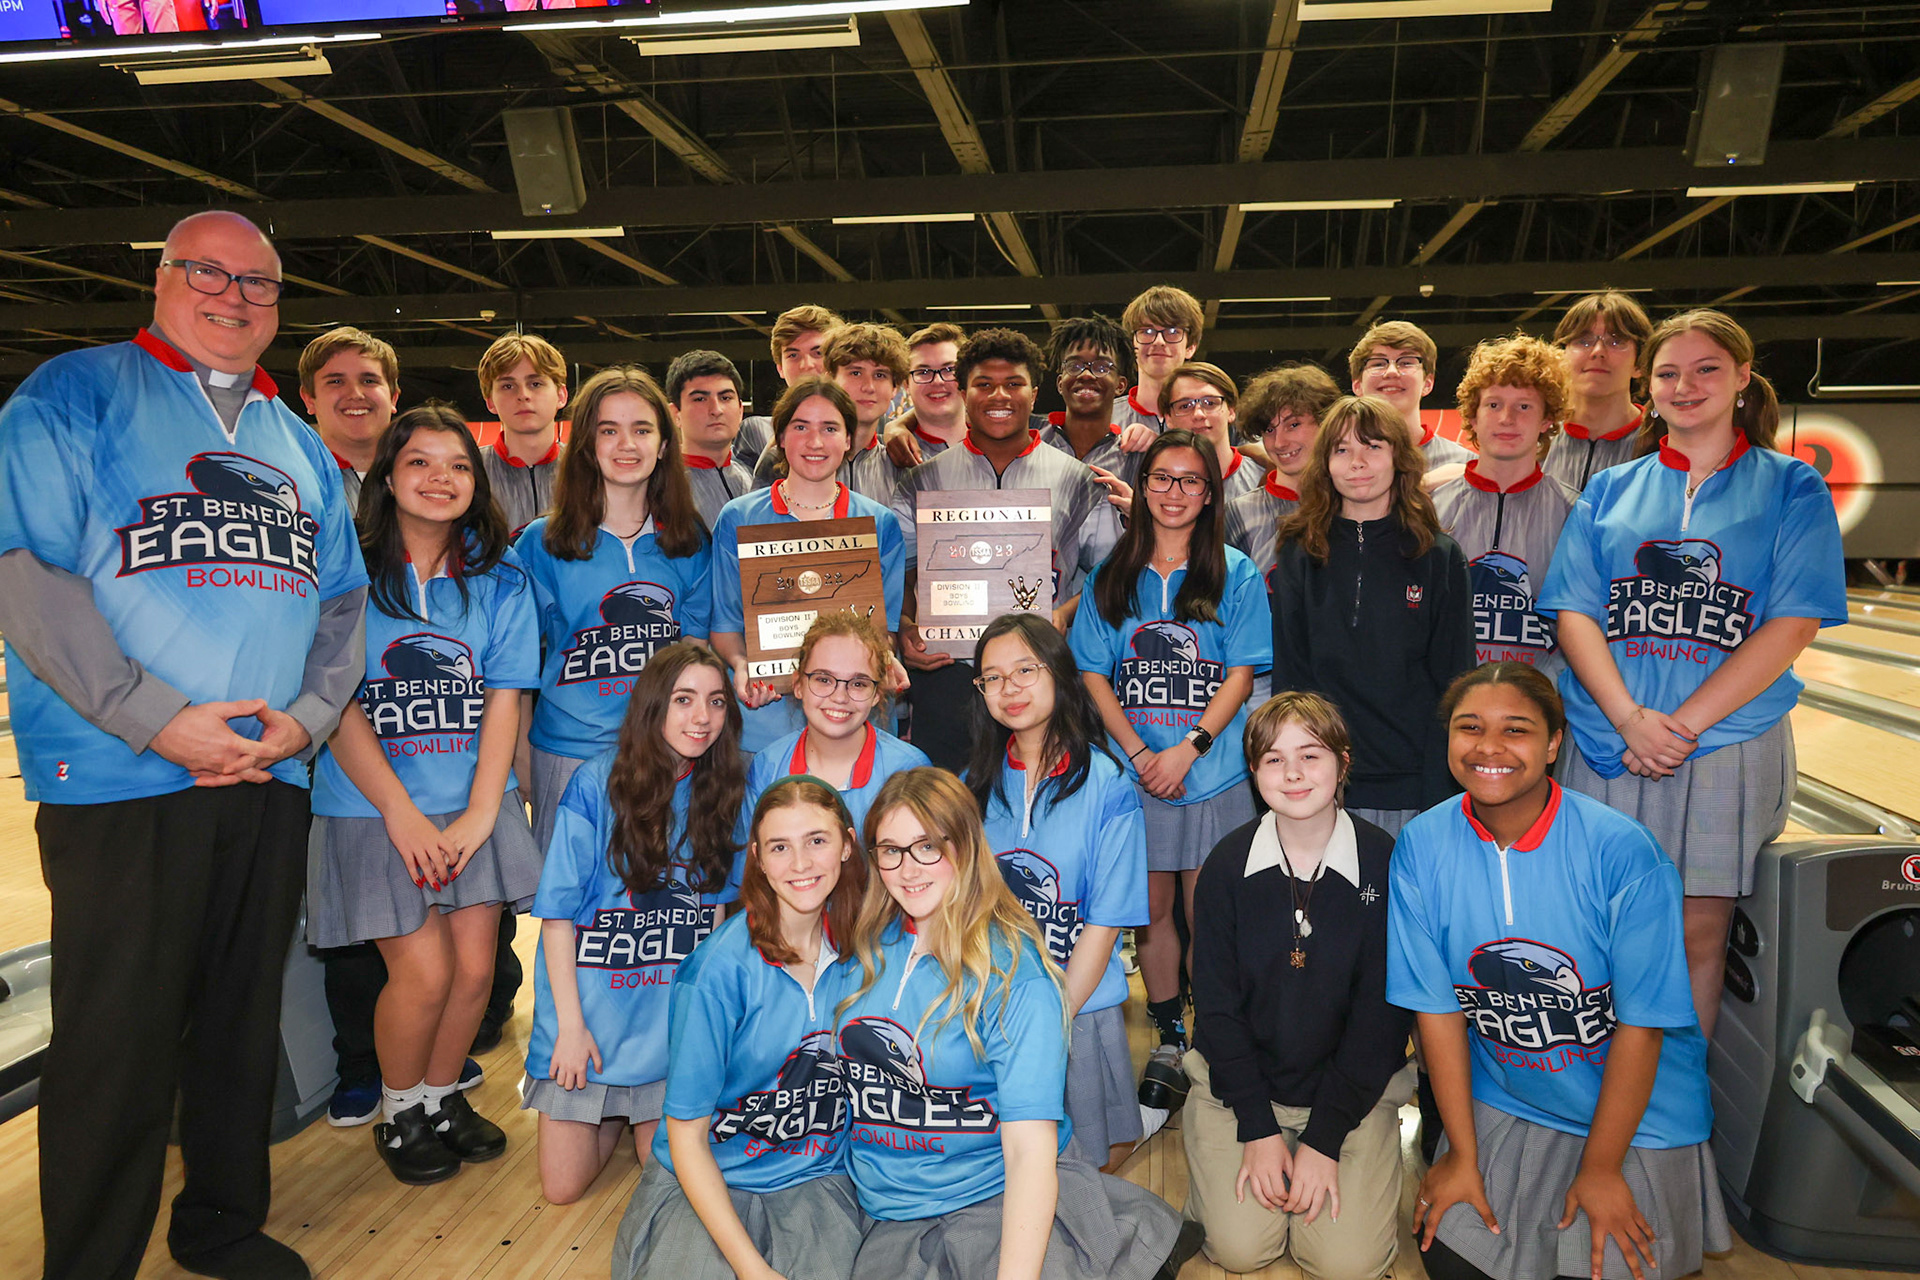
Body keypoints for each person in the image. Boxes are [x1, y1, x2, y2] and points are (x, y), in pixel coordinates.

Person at [0, 210, 364, 1280]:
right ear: (161, 278)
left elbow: (341, 607)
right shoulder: (73, 393)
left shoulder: (297, 442)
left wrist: (304, 717)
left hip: (268, 770)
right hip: (122, 775)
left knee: (241, 1021)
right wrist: (156, 715)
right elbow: (27, 572)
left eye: (259, 284)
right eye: (209, 272)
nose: (235, 297)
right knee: (117, 1036)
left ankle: (221, 1220)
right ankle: (91, 1259)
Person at [1539, 308, 1845, 1036]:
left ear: (1742, 377)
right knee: (1596, 935)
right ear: (1650, 385)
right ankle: (1595, 1100)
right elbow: (1574, 611)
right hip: (1609, 740)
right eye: (1670, 373)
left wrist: (1679, 727)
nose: (1686, 386)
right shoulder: (1613, 490)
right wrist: (1628, 720)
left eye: (1707, 369)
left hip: (1725, 744)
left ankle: (1670, 1115)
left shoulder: (1790, 486)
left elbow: (1794, 621)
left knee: (1695, 936)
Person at [1389, 663, 1730, 1280]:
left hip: (1638, 1114)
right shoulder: (1421, 846)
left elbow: (1642, 1025)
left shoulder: (1623, 852)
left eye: (1515, 730)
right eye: (1470, 727)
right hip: (1510, 1097)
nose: (1488, 747)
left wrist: (1601, 1169)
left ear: (1552, 744)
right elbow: (1436, 1012)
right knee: (1455, 1264)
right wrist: (1462, 1153)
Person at [307, 402, 542, 1186]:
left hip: (473, 802)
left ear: (478, 483)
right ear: (387, 477)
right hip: (374, 809)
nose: (440, 479)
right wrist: (400, 813)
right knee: (426, 973)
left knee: (476, 974)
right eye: (419, 463)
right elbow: (336, 701)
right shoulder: (347, 572)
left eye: (457, 465)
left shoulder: (500, 578)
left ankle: (442, 1097)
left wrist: (484, 810)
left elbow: (506, 697)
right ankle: (399, 1109)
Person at [840, 767, 1198, 1280]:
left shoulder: (1017, 973)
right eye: (890, 849)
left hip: (995, 1189)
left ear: (964, 846)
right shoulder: (860, 951)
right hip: (888, 1205)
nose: (907, 868)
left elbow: (1030, 1153)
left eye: (927, 846)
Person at [1070, 427, 1272, 1127]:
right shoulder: (1111, 573)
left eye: (1191, 480)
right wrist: (1136, 754)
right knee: (1151, 908)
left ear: (1211, 492)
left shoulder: (1235, 572)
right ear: (1143, 485)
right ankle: (1169, 1034)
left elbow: (1243, 670)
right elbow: (1093, 673)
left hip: (1210, 773)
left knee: (1209, 912)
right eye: (1162, 478)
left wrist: (1190, 747)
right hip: (1136, 774)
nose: (1176, 492)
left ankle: (1218, 1036)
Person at [1184, 692, 1413, 1279]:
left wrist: (1324, 1138)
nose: (1292, 774)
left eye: (1310, 756)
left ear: (1342, 761)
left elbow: (1381, 1020)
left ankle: (1329, 1157)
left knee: (1345, 1263)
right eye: (1272, 759)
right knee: (1240, 1250)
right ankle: (1235, 1161)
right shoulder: (1226, 866)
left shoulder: (1386, 863)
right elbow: (1216, 1008)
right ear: (1253, 771)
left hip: (1351, 1095)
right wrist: (1258, 1129)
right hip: (1238, 1090)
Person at [612, 776, 870, 1280]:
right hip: (709, 1178)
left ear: (847, 844)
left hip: (814, 1177)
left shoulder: (869, 952)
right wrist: (754, 1271)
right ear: (756, 856)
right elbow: (687, 1139)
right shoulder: (715, 974)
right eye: (780, 847)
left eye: (817, 841)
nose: (800, 864)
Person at [522, 642, 748, 1204]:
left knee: (660, 1171)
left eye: (717, 702)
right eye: (685, 700)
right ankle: (609, 1110)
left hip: (665, 1029)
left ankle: (632, 1117)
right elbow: (555, 919)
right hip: (591, 1020)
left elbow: (715, 920)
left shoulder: (719, 790)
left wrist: (707, 1029)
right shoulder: (597, 783)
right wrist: (569, 1030)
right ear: (652, 705)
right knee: (561, 1190)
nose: (702, 718)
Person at [967, 612, 1149, 1170]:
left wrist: (1053, 1017)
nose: (1009, 688)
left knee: (1086, 1164)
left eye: (1026, 669)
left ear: (1060, 675)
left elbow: (1104, 921)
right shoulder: (970, 786)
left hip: (1078, 1005)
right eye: (992, 678)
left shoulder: (1107, 784)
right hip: (987, 1006)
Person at [892, 327, 1119, 771]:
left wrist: (1064, 614)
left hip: (1043, 674)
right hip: (947, 674)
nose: (1000, 395)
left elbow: (1106, 572)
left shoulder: (1078, 480)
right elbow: (900, 569)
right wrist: (902, 624)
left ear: (1034, 394)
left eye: (1013, 384)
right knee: (951, 815)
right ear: (962, 392)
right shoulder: (922, 479)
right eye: (984, 384)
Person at [513, 365, 712, 853]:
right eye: (609, 430)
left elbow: (697, 656)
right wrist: (520, 763)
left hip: (666, 755)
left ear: (664, 444)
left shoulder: (689, 542)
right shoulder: (543, 543)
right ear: (585, 444)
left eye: (642, 430)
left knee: (663, 908)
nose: (627, 444)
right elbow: (513, 670)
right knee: (573, 916)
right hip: (567, 755)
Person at [1270, 396, 1475, 837]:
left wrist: (1441, 786)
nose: (1357, 463)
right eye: (1342, 449)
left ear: (1399, 459)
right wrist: (1301, 769)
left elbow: (1456, 680)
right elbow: (1291, 674)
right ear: (1324, 464)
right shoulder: (1299, 552)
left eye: (1373, 447)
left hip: (1416, 785)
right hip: (1325, 783)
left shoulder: (1438, 556)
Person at [710, 376, 907, 755]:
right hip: (767, 728)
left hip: (854, 723)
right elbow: (724, 626)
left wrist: (885, 657)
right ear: (780, 438)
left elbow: (885, 629)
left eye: (830, 428)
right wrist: (741, 664)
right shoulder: (738, 519)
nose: (815, 442)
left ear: (849, 440)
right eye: (800, 427)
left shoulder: (878, 524)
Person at [1431, 335, 1579, 671]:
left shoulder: (1576, 512)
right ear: (1472, 415)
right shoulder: (1429, 509)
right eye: (1494, 404)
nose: (1507, 418)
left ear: (1547, 420)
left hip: (1541, 702)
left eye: (1524, 406)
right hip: (1451, 704)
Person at [746, 611, 930, 833]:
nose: (840, 697)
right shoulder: (768, 766)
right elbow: (749, 863)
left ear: (877, 694)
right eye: (824, 679)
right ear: (798, 684)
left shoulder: (907, 767)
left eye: (858, 683)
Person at [752, 321, 910, 502]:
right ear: (831, 378)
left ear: (895, 388)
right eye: (855, 373)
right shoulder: (783, 460)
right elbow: (755, 525)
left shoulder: (903, 461)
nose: (868, 386)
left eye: (880, 375)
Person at [1224, 363, 1340, 586]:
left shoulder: (1354, 504)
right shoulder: (1238, 514)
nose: (1279, 442)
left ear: (1326, 422)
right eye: (1269, 430)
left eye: (1293, 424)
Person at [1546, 292, 1652, 492]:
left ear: (1640, 363)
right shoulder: (1534, 438)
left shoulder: (1660, 441)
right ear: (1561, 356)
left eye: (1616, 341)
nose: (1597, 351)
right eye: (1583, 341)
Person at [298, 325, 399, 513]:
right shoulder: (288, 481)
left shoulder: (427, 483)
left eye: (369, 381)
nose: (355, 394)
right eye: (336, 382)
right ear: (309, 399)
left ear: (393, 397)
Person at [1347, 321, 1474, 469]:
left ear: (1427, 383)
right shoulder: (1333, 465)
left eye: (1406, 362)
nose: (1392, 372)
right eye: (1378, 363)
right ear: (1357, 385)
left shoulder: (1466, 466)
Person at [479, 330, 570, 532]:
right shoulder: (470, 471)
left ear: (561, 395)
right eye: (508, 386)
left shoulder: (586, 469)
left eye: (535, 383)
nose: (523, 395)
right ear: (490, 402)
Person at [737, 303, 843, 469]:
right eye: (793, 355)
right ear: (780, 367)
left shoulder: (871, 428)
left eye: (818, 353)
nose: (806, 365)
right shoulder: (756, 432)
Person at [1039, 313, 1141, 486]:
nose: (1086, 375)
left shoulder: (1135, 458)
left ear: (1120, 385)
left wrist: (1133, 511)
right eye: (1074, 366)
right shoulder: (1032, 448)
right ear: (1060, 383)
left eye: (1101, 367)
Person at [666, 348, 753, 532]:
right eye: (700, 399)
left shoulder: (754, 480)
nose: (716, 409)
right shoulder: (662, 486)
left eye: (725, 397)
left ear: (740, 411)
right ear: (676, 414)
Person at [1161, 362, 1267, 504]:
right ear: (1169, 419)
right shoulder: (1158, 487)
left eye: (1210, 403)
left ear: (1231, 411)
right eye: (1185, 406)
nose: (1198, 414)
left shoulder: (1264, 478)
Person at [1115, 284, 1204, 438]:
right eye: (1147, 331)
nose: (1159, 341)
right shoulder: (1105, 419)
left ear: (1190, 347)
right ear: (1132, 344)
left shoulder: (1211, 418)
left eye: (1173, 331)